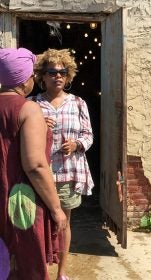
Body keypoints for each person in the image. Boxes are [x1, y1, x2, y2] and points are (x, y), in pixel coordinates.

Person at [0, 47, 67, 279]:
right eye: (31, 76)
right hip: (21, 204)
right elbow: (35, 166)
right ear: (23, 80)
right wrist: (57, 209)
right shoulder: (28, 109)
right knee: (26, 267)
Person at [32, 48, 94, 280]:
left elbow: (89, 136)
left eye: (63, 71)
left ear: (68, 76)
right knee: (40, 224)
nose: (58, 76)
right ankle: (41, 271)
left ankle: (62, 272)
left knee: (64, 223)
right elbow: (21, 137)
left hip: (68, 173)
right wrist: (38, 125)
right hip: (41, 173)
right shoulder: (33, 104)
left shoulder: (78, 103)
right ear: (42, 76)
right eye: (52, 71)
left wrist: (77, 144)